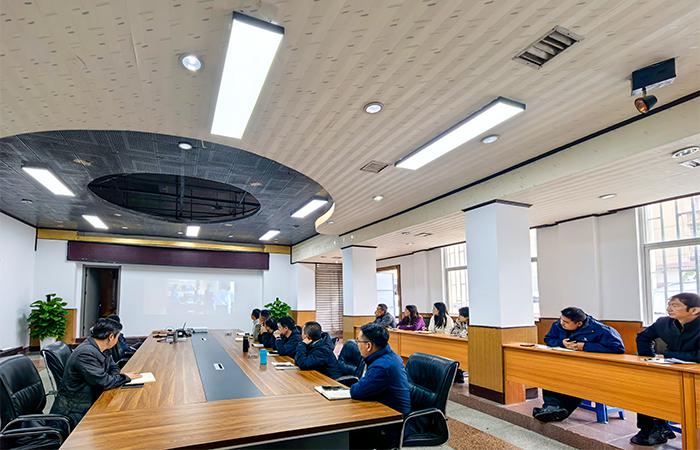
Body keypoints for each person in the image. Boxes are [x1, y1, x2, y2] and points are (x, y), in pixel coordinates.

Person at [630, 292, 700, 446]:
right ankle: (651, 428)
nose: (669, 309)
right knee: (646, 388)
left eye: (675, 305)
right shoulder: (663, 323)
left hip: (696, 375)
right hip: (671, 369)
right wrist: (649, 359)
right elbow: (643, 337)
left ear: (694, 310)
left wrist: (667, 355)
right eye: (669, 305)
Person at [533, 307, 625, 423]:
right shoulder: (558, 325)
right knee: (549, 373)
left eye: (566, 322)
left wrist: (585, 346)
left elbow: (618, 348)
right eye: (561, 319)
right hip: (564, 363)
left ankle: (563, 410)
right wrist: (561, 343)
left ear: (579, 323)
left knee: (577, 379)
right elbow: (548, 339)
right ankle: (551, 406)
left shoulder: (600, 330)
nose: (562, 323)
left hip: (589, 367)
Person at [51, 318, 141, 427]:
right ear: (111, 337)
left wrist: (114, 377)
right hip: (76, 410)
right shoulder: (85, 353)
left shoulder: (103, 348)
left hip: (90, 398)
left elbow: (113, 367)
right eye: (118, 336)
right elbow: (104, 381)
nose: (118, 340)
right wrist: (126, 377)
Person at [350, 323, 411, 449]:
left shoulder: (382, 366)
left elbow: (356, 391)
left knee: (348, 433)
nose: (357, 344)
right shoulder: (385, 355)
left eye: (358, 341)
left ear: (368, 346)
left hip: (392, 423)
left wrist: (357, 385)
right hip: (383, 410)